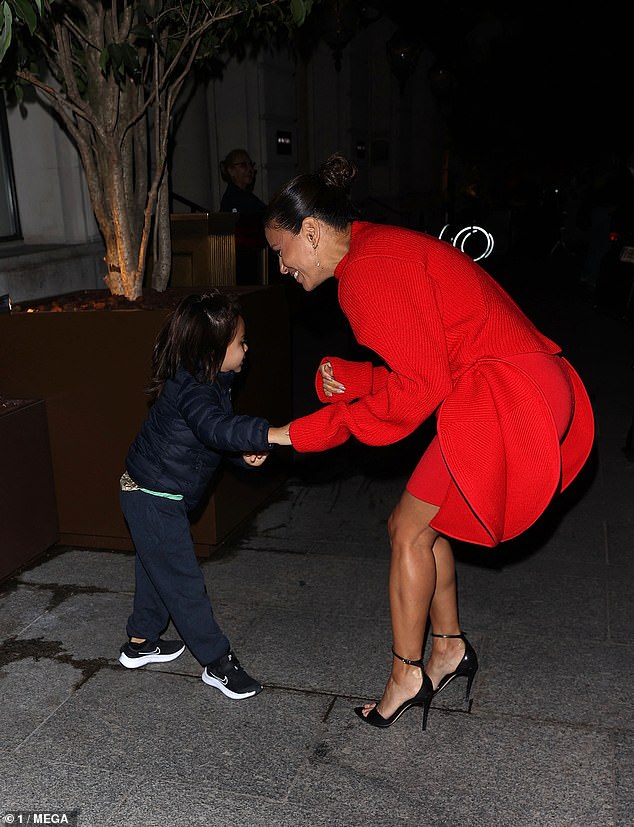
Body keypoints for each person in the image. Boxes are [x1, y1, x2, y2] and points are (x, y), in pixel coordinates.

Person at [263, 153, 594, 730]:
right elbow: (429, 364)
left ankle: (406, 673)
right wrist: (357, 379)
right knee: (415, 525)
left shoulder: (363, 278)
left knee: (410, 529)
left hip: (505, 394)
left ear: (310, 233)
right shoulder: (374, 249)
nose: (281, 268)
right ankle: (448, 649)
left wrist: (301, 432)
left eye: (280, 252)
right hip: (525, 382)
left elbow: (420, 390)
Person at [118, 291, 289, 700]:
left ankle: (140, 644)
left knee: (156, 572)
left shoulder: (210, 379)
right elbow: (215, 429)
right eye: (241, 342)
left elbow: (210, 439)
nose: (247, 349)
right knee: (183, 583)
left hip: (150, 493)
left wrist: (242, 456)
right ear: (214, 349)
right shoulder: (197, 388)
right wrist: (270, 434)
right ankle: (217, 662)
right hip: (154, 497)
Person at [220, 149, 266, 214]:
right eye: (243, 165)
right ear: (231, 170)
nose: (250, 169)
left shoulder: (249, 197)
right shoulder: (231, 200)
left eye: (250, 165)